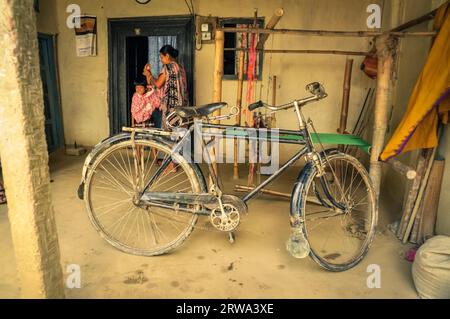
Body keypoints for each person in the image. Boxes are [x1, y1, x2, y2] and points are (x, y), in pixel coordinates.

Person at [143, 44, 189, 128]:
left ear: (167, 56)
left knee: (170, 133)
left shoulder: (168, 67)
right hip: (183, 107)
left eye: (161, 57)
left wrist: (149, 75)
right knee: (181, 133)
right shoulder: (180, 68)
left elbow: (158, 84)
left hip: (171, 108)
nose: (161, 60)